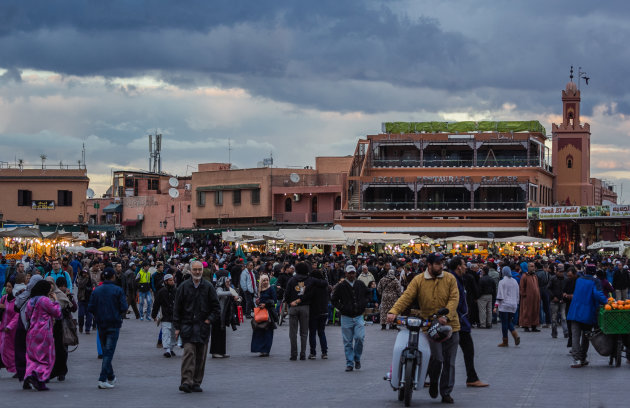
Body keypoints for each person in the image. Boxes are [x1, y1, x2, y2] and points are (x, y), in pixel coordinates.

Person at [387, 253, 460, 404]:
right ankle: (434, 381)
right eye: (438, 263)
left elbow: (454, 299)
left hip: (451, 324)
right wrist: (394, 311)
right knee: (437, 358)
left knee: (449, 362)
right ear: (429, 265)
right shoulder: (419, 280)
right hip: (430, 326)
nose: (441, 266)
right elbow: (406, 296)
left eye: (442, 263)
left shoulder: (450, 278)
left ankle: (446, 392)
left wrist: (446, 316)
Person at [173, 260, 220, 393]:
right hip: (187, 326)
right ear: (190, 271)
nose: (198, 272)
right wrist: (177, 327)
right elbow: (177, 308)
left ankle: (196, 382)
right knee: (189, 353)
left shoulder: (208, 286)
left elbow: (216, 308)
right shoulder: (183, 286)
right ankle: (186, 381)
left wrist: (209, 320)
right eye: (195, 270)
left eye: (199, 270)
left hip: (203, 327)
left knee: (201, 356)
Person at [448, 256, 488, 388]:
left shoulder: (458, 279)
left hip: (459, 320)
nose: (466, 267)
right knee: (466, 350)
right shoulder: (453, 280)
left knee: (443, 352)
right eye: (464, 264)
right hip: (457, 321)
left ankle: (472, 377)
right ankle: (471, 377)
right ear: (459, 267)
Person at [88, 267, 128, 389]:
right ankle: (102, 378)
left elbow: (90, 307)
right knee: (109, 352)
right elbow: (124, 307)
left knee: (106, 351)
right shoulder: (118, 290)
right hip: (114, 323)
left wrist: (98, 315)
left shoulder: (97, 290)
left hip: (101, 323)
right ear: (113, 277)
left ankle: (110, 376)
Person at [566, 264, 607, 368]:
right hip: (587, 313)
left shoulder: (579, 280)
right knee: (585, 337)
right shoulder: (595, 281)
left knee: (575, 336)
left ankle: (576, 359)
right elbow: (597, 294)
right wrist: (607, 302)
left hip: (574, 311)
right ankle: (583, 358)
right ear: (594, 272)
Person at [23, 280, 61, 391]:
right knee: (45, 357)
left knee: (32, 357)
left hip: (31, 332)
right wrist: (56, 300)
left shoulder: (31, 301)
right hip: (44, 332)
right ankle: (39, 379)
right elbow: (57, 313)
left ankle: (29, 375)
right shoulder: (44, 300)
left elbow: (27, 316)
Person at [331, 265, 369, 372]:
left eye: (353, 273)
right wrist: (342, 308)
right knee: (347, 341)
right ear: (346, 274)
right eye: (350, 273)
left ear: (355, 273)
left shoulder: (360, 284)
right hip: (346, 317)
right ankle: (349, 363)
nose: (352, 275)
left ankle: (357, 357)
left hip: (358, 316)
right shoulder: (341, 286)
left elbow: (368, 293)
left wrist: (363, 303)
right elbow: (334, 300)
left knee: (360, 338)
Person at [13, 274, 43, 382]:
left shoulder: (25, 293)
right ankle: (35, 374)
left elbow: (16, 306)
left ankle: (24, 373)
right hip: (38, 327)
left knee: (21, 349)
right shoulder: (44, 297)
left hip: (23, 324)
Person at [47, 276, 76, 382]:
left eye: (51, 284)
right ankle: (52, 371)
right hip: (47, 328)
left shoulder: (61, 295)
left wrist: (69, 298)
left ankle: (61, 372)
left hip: (61, 326)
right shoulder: (43, 297)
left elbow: (73, 308)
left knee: (62, 350)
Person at [284, 262, 313, 361]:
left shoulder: (292, 280)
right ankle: (303, 354)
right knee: (304, 332)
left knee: (293, 332)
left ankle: (293, 354)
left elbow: (286, 294)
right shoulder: (309, 280)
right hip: (305, 307)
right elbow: (310, 295)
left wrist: (290, 302)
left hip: (293, 307)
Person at [211, 276, 238, 358]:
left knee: (222, 334)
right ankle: (215, 352)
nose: (228, 283)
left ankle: (222, 351)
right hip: (217, 315)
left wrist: (237, 297)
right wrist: (231, 293)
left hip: (223, 315)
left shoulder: (228, 289)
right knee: (216, 334)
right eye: (226, 282)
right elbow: (219, 293)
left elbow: (236, 295)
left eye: (229, 281)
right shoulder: (219, 288)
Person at [251, 274, 277, 357]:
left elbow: (274, 300)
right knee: (259, 330)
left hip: (269, 313)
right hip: (261, 312)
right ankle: (260, 349)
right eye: (264, 280)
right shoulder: (260, 290)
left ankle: (266, 350)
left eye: (267, 280)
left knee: (268, 331)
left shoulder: (271, 289)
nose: (265, 282)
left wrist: (265, 304)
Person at [152, 274, 177, 358]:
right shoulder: (162, 291)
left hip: (174, 316)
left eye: (173, 280)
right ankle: (167, 350)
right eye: (170, 280)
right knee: (166, 333)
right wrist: (154, 315)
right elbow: (156, 304)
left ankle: (171, 348)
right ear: (165, 281)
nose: (172, 281)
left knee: (173, 333)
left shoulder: (176, 290)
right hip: (165, 315)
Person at [494, 266, 520, 346]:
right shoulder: (515, 281)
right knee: (509, 321)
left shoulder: (502, 282)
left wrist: (496, 306)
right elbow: (517, 293)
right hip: (513, 305)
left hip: (504, 305)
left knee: (504, 323)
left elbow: (500, 295)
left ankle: (505, 341)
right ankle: (515, 335)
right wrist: (516, 303)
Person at [307, 268, 329, 360]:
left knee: (312, 333)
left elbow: (308, 298)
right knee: (321, 332)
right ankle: (324, 352)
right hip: (324, 311)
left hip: (313, 311)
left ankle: (313, 352)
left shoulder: (311, 286)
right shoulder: (325, 286)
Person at [0, 281, 19, 375]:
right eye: (6, 286)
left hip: (12, 331)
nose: (7, 288)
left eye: (9, 287)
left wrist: (10, 326)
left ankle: (16, 368)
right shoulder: (3, 299)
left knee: (11, 351)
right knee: (1, 348)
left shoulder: (17, 301)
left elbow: (17, 316)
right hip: (2, 329)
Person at [548, 264, 568, 339]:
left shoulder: (566, 279)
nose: (561, 273)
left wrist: (565, 298)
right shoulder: (553, 279)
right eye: (560, 271)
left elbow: (567, 290)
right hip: (554, 301)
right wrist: (553, 297)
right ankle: (554, 332)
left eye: (562, 271)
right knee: (554, 318)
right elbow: (548, 288)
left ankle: (566, 332)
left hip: (563, 301)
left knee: (563, 317)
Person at [519, 262, 540, 332]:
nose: (533, 267)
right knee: (527, 311)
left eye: (533, 266)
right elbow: (521, 287)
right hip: (527, 298)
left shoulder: (535, 276)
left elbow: (537, 286)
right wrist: (524, 294)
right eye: (531, 266)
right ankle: (526, 325)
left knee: (535, 311)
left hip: (535, 298)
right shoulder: (524, 276)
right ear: (528, 267)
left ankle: (534, 325)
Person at [76, 268, 94, 334]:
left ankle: (87, 329)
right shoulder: (80, 279)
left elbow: (95, 286)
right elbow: (80, 285)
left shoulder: (91, 280)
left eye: (86, 273)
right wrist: (86, 279)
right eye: (83, 273)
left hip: (89, 300)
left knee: (89, 316)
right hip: (82, 299)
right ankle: (81, 326)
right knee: (81, 314)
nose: (84, 274)